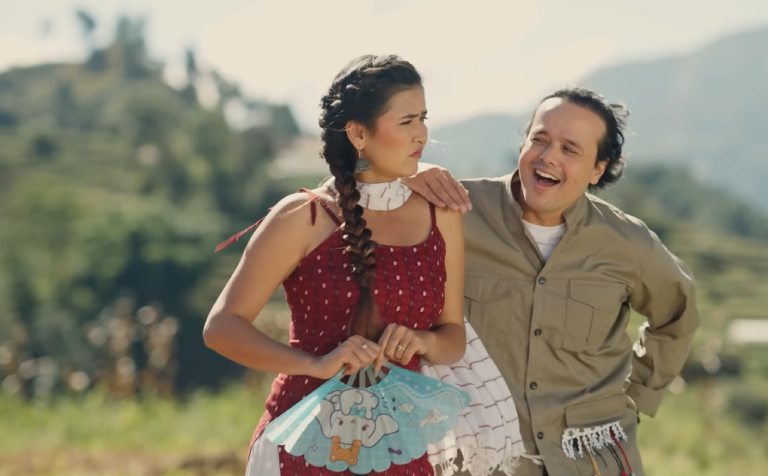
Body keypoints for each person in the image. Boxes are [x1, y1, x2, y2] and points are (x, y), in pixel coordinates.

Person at [405, 87, 699, 476]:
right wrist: (410, 174)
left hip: (593, 461)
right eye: (539, 140)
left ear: (597, 169)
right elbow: (362, 199)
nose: (549, 157)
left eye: (570, 149)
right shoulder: (453, 210)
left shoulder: (628, 242)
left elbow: (678, 313)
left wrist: (637, 396)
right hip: (479, 459)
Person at [203, 54, 466, 476]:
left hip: (399, 452)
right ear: (358, 133)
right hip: (301, 451)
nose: (421, 133)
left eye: (423, 118)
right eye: (406, 121)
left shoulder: (441, 215)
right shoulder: (303, 216)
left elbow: (453, 337)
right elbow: (221, 327)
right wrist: (315, 364)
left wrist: (422, 340)